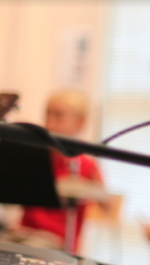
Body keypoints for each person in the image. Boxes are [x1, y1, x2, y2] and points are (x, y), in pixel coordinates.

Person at [18, 89, 105, 251]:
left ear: (80, 121)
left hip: (56, 240)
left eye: (58, 116)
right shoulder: (36, 157)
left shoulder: (86, 164)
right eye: (47, 115)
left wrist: (86, 188)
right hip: (23, 232)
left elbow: (107, 206)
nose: (49, 123)